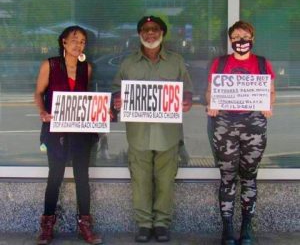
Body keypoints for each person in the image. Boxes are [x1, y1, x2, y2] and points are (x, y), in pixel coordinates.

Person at [112, 16, 193, 243]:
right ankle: (144, 224)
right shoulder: (128, 63)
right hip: (138, 134)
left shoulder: (176, 61)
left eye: (155, 29)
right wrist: (117, 99)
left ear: (162, 33)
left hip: (168, 134)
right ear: (140, 34)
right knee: (140, 180)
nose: (150, 33)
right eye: (146, 30)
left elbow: (187, 90)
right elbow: (115, 91)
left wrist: (186, 101)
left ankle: (161, 224)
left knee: (166, 180)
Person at [205, 21, 276, 245]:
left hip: (254, 123)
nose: (240, 39)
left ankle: (246, 227)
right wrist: (211, 103)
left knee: (249, 178)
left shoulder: (263, 64)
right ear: (231, 40)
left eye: (245, 35)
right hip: (225, 123)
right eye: (236, 36)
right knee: (227, 178)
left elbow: (271, 91)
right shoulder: (220, 62)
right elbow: (210, 91)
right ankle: (227, 229)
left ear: (252, 38)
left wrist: (268, 104)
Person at [34, 25, 102, 245]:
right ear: (63, 42)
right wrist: (43, 112)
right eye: (74, 39)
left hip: (81, 132)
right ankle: (46, 227)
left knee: (83, 178)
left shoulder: (86, 68)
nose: (78, 44)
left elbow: (86, 100)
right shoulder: (50, 65)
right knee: (55, 177)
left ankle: (85, 226)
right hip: (56, 131)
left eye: (82, 41)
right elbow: (38, 92)